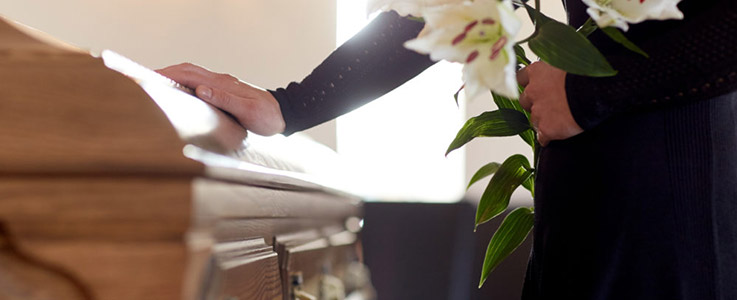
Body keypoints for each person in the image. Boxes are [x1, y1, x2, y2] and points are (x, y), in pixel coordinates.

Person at [158, 0, 737, 298]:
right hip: (587, 200)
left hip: (679, 209)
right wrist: (293, 105)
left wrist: (592, 90)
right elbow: (466, 8)